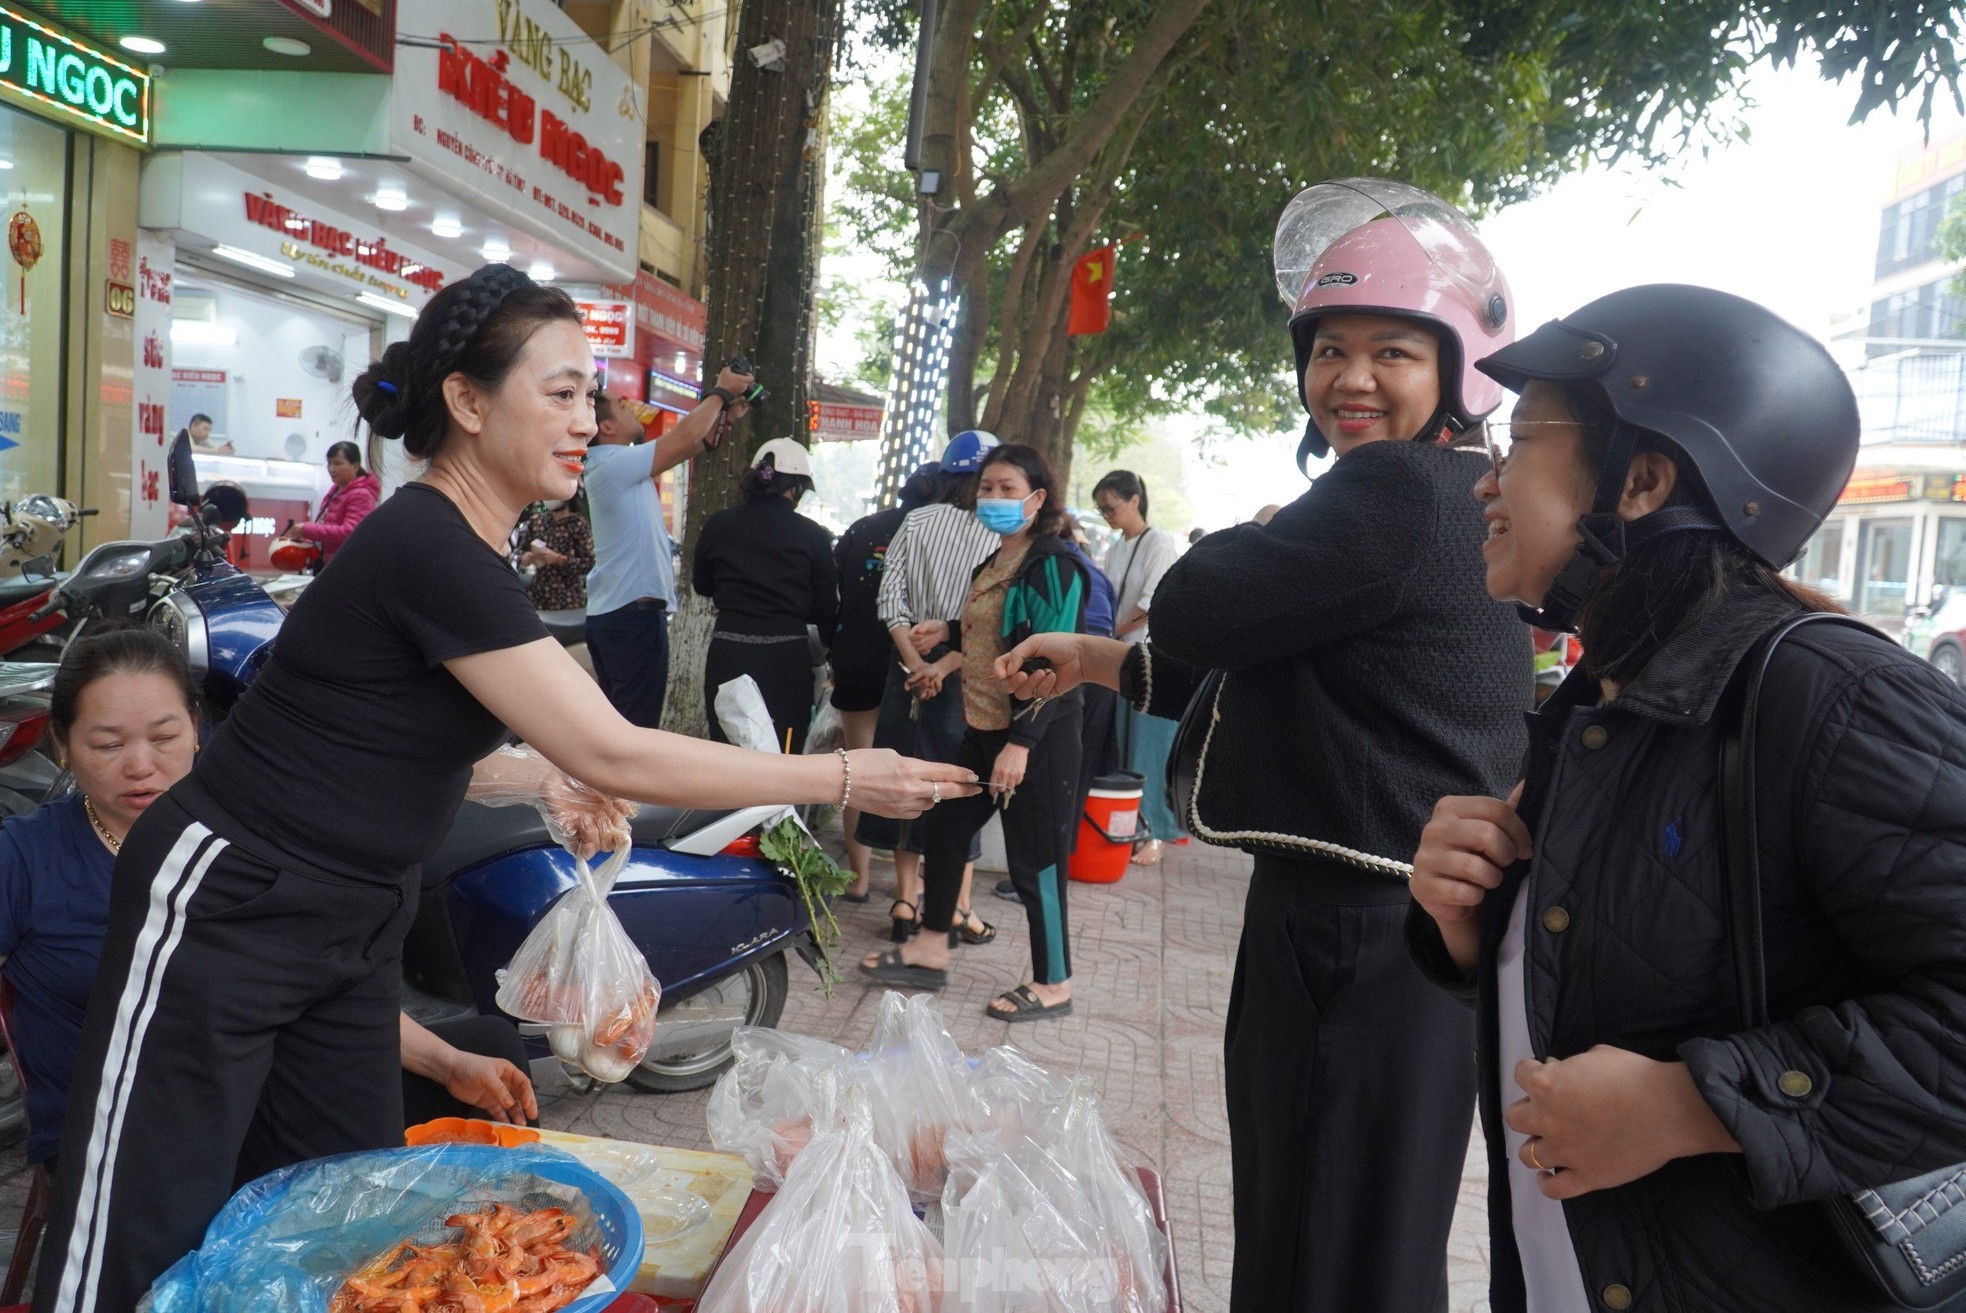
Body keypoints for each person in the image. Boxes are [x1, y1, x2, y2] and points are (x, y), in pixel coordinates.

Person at [33, 264, 976, 1313]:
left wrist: (542, 772)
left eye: (592, 395)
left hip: (349, 925)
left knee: (343, 1212)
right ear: (469, 402)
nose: (589, 421)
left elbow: (392, 733)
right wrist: (843, 770)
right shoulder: (425, 539)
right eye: (561, 393)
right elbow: (621, 749)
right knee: (140, 1220)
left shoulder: (482, 550)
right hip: (227, 901)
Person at [993, 180, 1528, 1310]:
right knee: (1367, 1236)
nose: (1351, 377)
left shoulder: (1390, 489)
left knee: (1316, 1235)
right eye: (1329, 349)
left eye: (1392, 351)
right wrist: (1087, 656)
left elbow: (1196, 609)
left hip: (1352, 929)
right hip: (1409, 926)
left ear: (1454, 372)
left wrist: (1258, 531)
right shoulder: (1452, 493)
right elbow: (1265, 664)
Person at [1406, 284, 1966, 1312]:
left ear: (1643, 479)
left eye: (1521, 441)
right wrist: (1467, 922)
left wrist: (1690, 1103)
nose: (1487, 484)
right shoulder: (1599, 697)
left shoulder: (1833, 697)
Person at [0, 627, 539, 1183]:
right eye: (109, 745)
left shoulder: (242, 834)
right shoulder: (25, 857)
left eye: (164, 737)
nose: (140, 765)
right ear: (61, 744)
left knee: (487, 1054)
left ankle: (486, 1258)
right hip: (126, 1128)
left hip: (263, 1084)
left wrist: (447, 1064)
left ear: (197, 730)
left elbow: (317, 987)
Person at [862, 443, 1089, 1023]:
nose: (992, 498)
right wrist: (953, 640)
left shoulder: (1054, 564)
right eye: (987, 487)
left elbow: (1056, 664)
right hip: (981, 729)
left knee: (1035, 864)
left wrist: (1021, 744)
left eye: (1007, 489)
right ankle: (931, 948)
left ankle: (1054, 983)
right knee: (944, 833)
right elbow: (997, 635)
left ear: (1037, 500)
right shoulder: (992, 561)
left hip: (1034, 738)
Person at [863, 430, 1002, 941]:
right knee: (962, 784)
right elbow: (992, 621)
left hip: (908, 670)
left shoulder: (915, 520)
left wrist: (913, 664)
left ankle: (904, 900)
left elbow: (889, 601)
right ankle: (960, 907)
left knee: (907, 778)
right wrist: (944, 668)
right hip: (969, 676)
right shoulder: (1000, 536)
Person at [584, 381, 750, 729]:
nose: (631, 405)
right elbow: (683, 437)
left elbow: (691, 444)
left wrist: (724, 417)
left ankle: (608, 785)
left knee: (623, 723)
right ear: (607, 427)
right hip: (632, 617)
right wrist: (721, 391)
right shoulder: (613, 462)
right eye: (622, 405)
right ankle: (621, 786)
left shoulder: (614, 463)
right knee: (634, 729)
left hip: (625, 614)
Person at [831, 463, 944, 901]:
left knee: (856, 769)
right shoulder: (937, 534)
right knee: (916, 769)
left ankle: (858, 879)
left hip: (857, 658)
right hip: (913, 664)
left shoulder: (864, 527)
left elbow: (835, 589)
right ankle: (908, 885)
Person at [693, 438, 839, 753]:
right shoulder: (812, 535)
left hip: (728, 652)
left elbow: (703, 585)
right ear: (797, 488)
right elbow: (827, 608)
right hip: (785, 659)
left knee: (728, 749)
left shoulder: (718, 524)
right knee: (782, 754)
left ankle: (727, 803)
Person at [1092, 469, 1185, 865]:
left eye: (1111, 506)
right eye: (1101, 509)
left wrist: (1111, 631)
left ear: (1134, 500)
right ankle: (1130, 827)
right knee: (1123, 750)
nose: (1107, 515)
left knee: (1149, 750)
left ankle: (1156, 834)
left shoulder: (1158, 542)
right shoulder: (1117, 548)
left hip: (1149, 661)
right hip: (1119, 660)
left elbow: (1151, 605)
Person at [291, 441, 382, 568]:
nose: (332, 468)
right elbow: (328, 527)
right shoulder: (335, 491)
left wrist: (307, 530)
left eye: (338, 463)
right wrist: (307, 540)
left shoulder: (361, 494)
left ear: (355, 466)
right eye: (329, 463)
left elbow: (350, 533)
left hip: (347, 565)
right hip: (330, 562)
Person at [517, 489, 595, 613]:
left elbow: (588, 563)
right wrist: (526, 558)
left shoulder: (579, 524)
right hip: (539, 597)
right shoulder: (537, 522)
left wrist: (559, 559)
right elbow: (520, 552)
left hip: (568, 601)